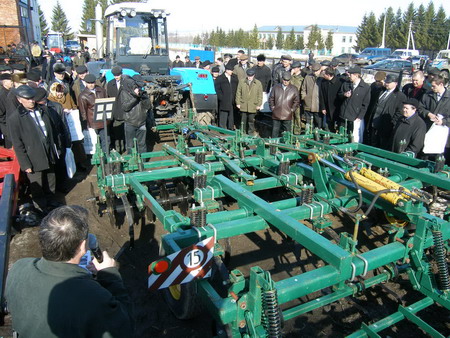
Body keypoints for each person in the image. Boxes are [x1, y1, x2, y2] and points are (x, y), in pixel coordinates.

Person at [5, 205, 134, 337]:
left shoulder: (18, 267)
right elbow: (124, 329)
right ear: (83, 246)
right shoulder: (93, 298)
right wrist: (110, 275)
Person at [7, 85, 59, 212]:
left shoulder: (43, 110)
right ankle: (41, 208)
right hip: (33, 156)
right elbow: (17, 144)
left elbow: (52, 131)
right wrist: (25, 164)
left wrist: (55, 149)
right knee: (38, 184)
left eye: (32, 98)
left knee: (50, 178)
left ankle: (51, 201)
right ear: (20, 100)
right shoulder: (15, 119)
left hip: (48, 152)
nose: (31, 101)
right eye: (28, 99)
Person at [369, 74, 406, 150]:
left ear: (395, 83)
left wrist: (392, 123)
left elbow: (399, 112)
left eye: (389, 82)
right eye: (386, 82)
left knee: (383, 146)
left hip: (386, 127)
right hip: (374, 123)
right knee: (373, 144)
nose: (386, 84)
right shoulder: (380, 91)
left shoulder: (400, 96)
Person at [419, 76, 450, 163]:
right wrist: (428, 114)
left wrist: (443, 121)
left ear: (441, 84)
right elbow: (420, 108)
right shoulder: (427, 95)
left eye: (434, 86)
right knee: (425, 154)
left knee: (439, 157)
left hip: (443, 134)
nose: (432, 88)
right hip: (428, 129)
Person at [78, 74, 110, 153]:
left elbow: (107, 103)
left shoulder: (102, 90)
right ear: (85, 83)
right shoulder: (83, 96)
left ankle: (106, 159)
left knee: (106, 141)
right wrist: (87, 125)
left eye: (92, 82)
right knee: (95, 143)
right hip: (93, 123)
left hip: (103, 121)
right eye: (89, 83)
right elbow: (83, 112)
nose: (91, 85)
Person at [338, 66, 371, 143]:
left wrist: (359, 117)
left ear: (356, 75)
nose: (349, 76)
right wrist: (344, 95)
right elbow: (339, 95)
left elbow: (365, 104)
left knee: (352, 137)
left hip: (354, 117)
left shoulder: (365, 87)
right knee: (342, 135)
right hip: (343, 115)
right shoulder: (346, 84)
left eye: (351, 74)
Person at [120, 74, 151, 153]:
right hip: (130, 122)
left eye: (140, 87)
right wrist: (135, 97)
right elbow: (125, 107)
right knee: (130, 145)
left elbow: (148, 106)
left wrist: (144, 98)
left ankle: (143, 162)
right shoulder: (125, 93)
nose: (139, 89)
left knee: (142, 144)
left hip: (141, 122)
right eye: (137, 87)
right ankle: (132, 162)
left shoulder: (143, 93)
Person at [269, 71, 300, 138]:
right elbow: (271, 98)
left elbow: (296, 101)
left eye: (287, 80)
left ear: (290, 80)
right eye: (284, 80)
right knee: (275, 132)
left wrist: (292, 110)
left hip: (287, 114)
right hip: (276, 113)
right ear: (282, 79)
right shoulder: (276, 87)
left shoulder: (294, 89)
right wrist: (272, 108)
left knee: (287, 133)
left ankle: (286, 146)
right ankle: (274, 145)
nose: (285, 82)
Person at [235, 68, 263, 136]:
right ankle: (242, 133)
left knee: (251, 121)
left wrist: (259, 104)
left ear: (254, 75)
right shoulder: (242, 82)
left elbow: (260, 95)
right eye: (248, 76)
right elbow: (238, 93)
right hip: (243, 104)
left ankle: (250, 133)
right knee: (243, 121)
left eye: (251, 76)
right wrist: (238, 103)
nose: (250, 77)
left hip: (253, 105)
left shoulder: (258, 83)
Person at [107, 66, 126, 153]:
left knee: (125, 132)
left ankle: (124, 148)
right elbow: (109, 98)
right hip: (115, 112)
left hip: (125, 112)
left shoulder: (126, 83)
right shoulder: (110, 84)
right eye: (115, 75)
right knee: (116, 132)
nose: (116, 77)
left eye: (118, 75)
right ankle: (118, 149)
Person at [215, 63, 238, 130]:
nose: (232, 72)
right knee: (223, 114)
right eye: (230, 70)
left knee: (231, 115)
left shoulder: (234, 77)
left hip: (232, 99)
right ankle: (222, 128)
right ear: (226, 70)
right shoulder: (220, 78)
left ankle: (230, 127)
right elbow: (217, 89)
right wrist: (221, 97)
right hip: (224, 100)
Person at [319, 66, 342, 132]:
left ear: (328, 75)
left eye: (324, 74)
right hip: (327, 109)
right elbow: (322, 95)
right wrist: (323, 107)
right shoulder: (324, 82)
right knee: (328, 126)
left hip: (336, 108)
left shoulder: (339, 82)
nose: (323, 76)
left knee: (337, 126)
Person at [301, 63, 322, 128]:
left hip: (318, 106)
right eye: (313, 71)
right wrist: (304, 97)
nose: (315, 72)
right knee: (308, 124)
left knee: (318, 124)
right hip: (308, 104)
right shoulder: (307, 77)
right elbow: (303, 88)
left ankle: (317, 136)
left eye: (316, 71)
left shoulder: (322, 78)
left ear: (320, 70)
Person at [290, 61, 304, 134]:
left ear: (299, 68)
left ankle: (297, 132)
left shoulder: (302, 78)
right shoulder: (291, 77)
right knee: (290, 116)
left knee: (297, 116)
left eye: (294, 68)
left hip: (298, 100)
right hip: (290, 99)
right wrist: (290, 75)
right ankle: (291, 131)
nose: (293, 69)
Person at [0, 73, 14, 147]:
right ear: (4, 82)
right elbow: (1, 115)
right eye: (10, 80)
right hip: (8, 129)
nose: (12, 82)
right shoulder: (2, 95)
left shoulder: (11, 92)